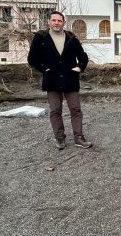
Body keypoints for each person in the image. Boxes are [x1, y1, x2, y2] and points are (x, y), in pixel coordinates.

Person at [27, 11, 93, 150]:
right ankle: (60, 138)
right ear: (49, 22)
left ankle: (79, 138)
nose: (57, 23)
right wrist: (45, 69)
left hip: (70, 79)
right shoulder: (41, 37)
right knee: (55, 111)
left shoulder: (71, 38)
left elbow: (83, 56)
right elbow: (32, 58)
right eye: (54, 20)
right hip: (52, 80)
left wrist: (80, 67)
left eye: (59, 20)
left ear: (63, 23)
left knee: (76, 109)